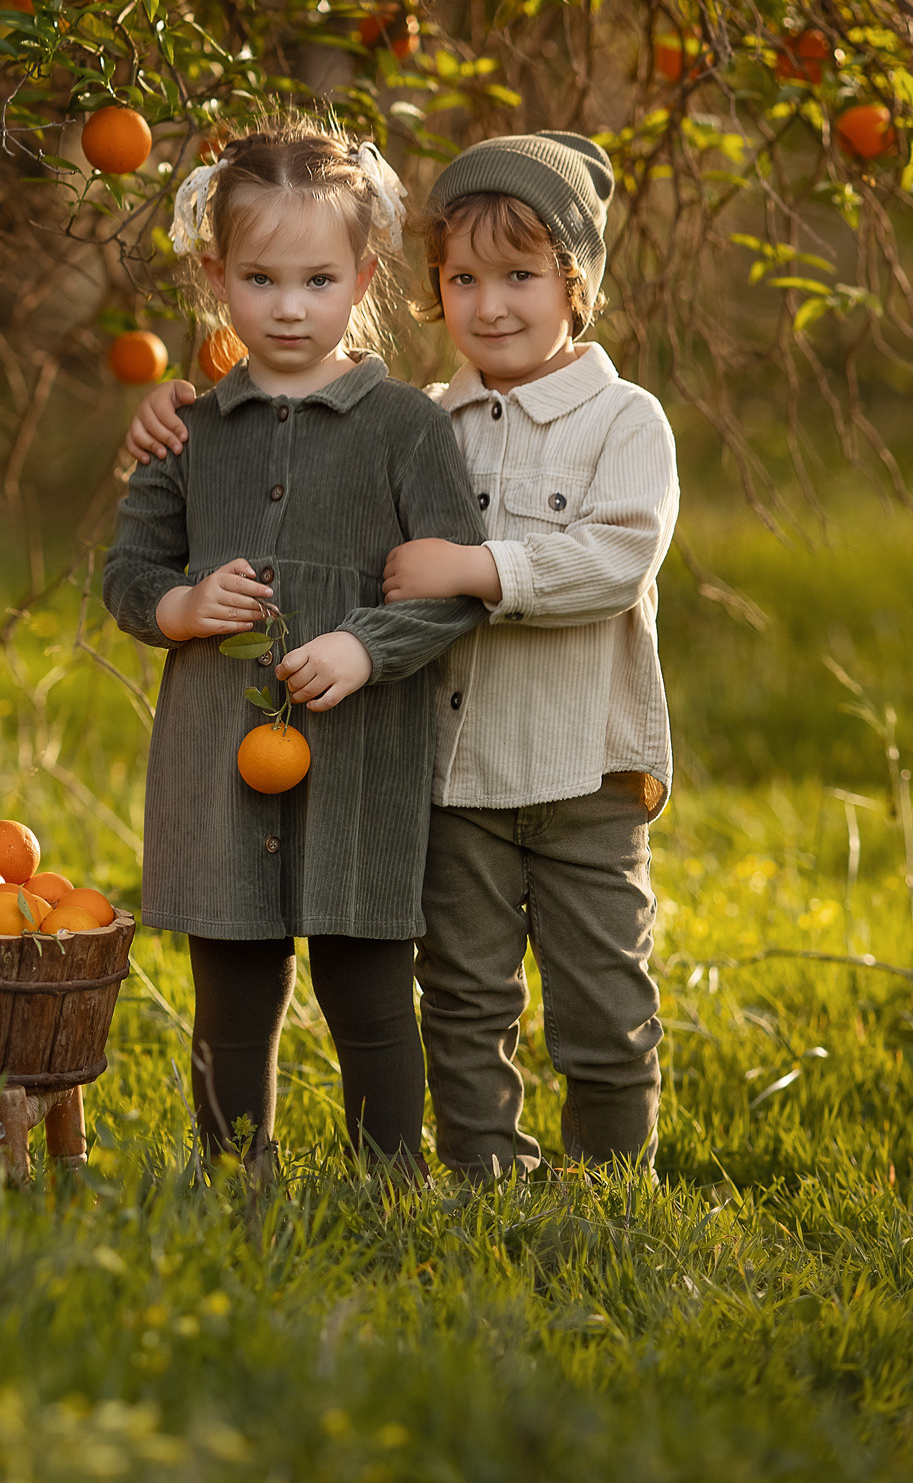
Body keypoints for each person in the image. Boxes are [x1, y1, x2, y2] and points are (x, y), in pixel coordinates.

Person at [125, 130, 679, 1181]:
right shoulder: (434, 417)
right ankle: (481, 1175)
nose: (490, 303)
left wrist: (471, 572)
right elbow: (238, 471)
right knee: (464, 997)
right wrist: (166, 415)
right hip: (451, 777)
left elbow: (612, 557)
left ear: (575, 281)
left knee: (601, 995)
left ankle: (609, 1183)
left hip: (578, 770)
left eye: (520, 275)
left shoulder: (612, 421)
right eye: (463, 278)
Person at [101, 120, 488, 1175]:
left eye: (317, 279)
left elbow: (455, 584)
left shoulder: (405, 427)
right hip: (215, 762)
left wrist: (364, 645)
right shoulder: (189, 429)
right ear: (216, 275)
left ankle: (386, 1178)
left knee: (365, 990)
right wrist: (180, 608)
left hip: (360, 758)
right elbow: (126, 574)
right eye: (261, 277)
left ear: (360, 276)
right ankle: (236, 1173)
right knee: (232, 991)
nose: (287, 305)